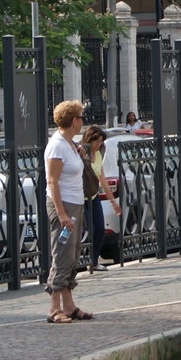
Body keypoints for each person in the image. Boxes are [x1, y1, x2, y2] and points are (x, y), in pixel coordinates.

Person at [45, 100, 92, 322]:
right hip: (63, 207)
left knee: (72, 255)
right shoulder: (57, 145)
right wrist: (61, 214)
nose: (83, 122)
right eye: (81, 118)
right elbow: (52, 182)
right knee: (61, 254)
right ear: (74, 121)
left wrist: (80, 153)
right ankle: (54, 309)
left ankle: (69, 305)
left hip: (75, 204)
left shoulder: (70, 144)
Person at [79, 125, 120, 273]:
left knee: (100, 229)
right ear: (88, 140)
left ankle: (93, 262)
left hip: (93, 196)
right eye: (96, 142)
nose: (98, 145)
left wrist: (112, 202)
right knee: (88, 229)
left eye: (101, 142)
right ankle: (77, 260)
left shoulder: (99, 155)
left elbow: (102, 179)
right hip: (79, 197)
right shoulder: (80, 153)